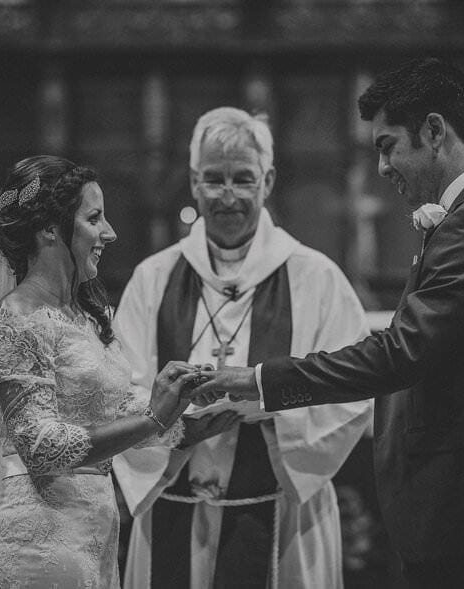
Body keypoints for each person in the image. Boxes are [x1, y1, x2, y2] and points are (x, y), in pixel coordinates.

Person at [188, 59, 464, 588]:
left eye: (388, 145)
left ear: (434, 130)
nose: (383, 166)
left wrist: (257, 381)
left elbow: (401, 354)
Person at [112, 107, 373, 588]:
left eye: (243, 179)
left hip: (282, 515)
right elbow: (118, 389)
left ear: (267, 181)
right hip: (173, 504)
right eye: (214, 179)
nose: (227, 196)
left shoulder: (315, 277)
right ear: (193, 182)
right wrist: (175, 429)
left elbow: (352, 391)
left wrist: (271, 408)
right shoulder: (154, 277)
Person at [0, 155, 200, 589]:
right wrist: (153, 418)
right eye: (94, 218)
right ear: (50, 227)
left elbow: (117, 410)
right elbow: (41, 446)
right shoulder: (16, 321)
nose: (110, 232)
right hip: (40, 542)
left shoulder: (87, 314)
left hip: (94, 534)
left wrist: (185, 400)